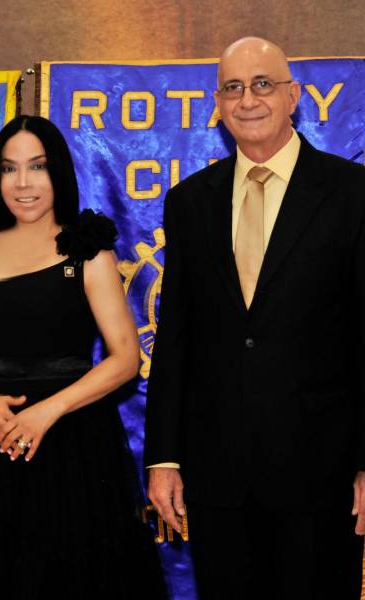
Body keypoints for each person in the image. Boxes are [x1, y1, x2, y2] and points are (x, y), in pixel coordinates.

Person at [145, 37, 365, 599]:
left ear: (294, 96)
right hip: (218, 477)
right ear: (217, 104)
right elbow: (176, 339)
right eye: (234, 87)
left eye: (263, 84)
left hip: (322, 471)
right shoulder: (189, 202)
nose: (249, 99)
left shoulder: (351, 193)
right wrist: (164, 458)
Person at [0, 115, 165, 599]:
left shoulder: (89, 252)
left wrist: (47, 412)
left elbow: (124, 358)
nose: (23, 182)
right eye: (9, 169)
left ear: (60, 174)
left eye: (38, 166)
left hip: (72, 445)